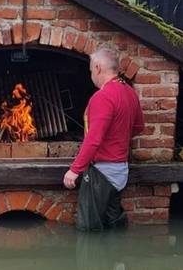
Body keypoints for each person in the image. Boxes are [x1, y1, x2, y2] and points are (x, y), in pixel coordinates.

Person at [63, 47, 145, 231]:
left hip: (101, 173)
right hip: (120, 172)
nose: (91, 74)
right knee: (113, 224)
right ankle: (116, 258)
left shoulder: (102, 97)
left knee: (89, 229)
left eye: (91, 70)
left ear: (98, 68)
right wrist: (117, 138)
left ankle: (91, 260)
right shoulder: (130, 93)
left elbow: (93, 139)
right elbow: (139, 127)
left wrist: (75, 170)